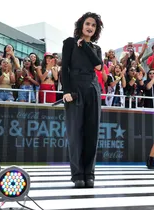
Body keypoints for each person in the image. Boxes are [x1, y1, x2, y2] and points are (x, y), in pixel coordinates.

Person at [61, 12, 103, 188]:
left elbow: (99, 66)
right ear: (81, 25)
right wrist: (67, 91)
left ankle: (89, 174)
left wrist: (85, 46)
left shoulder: (95, 48)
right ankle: (78, 174)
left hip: (93, 89)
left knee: (92, 133)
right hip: (75, 90)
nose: (90, 27)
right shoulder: (69, 43)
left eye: (93, 25)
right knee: (75, 133)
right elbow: (64, 68)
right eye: (87, 24)